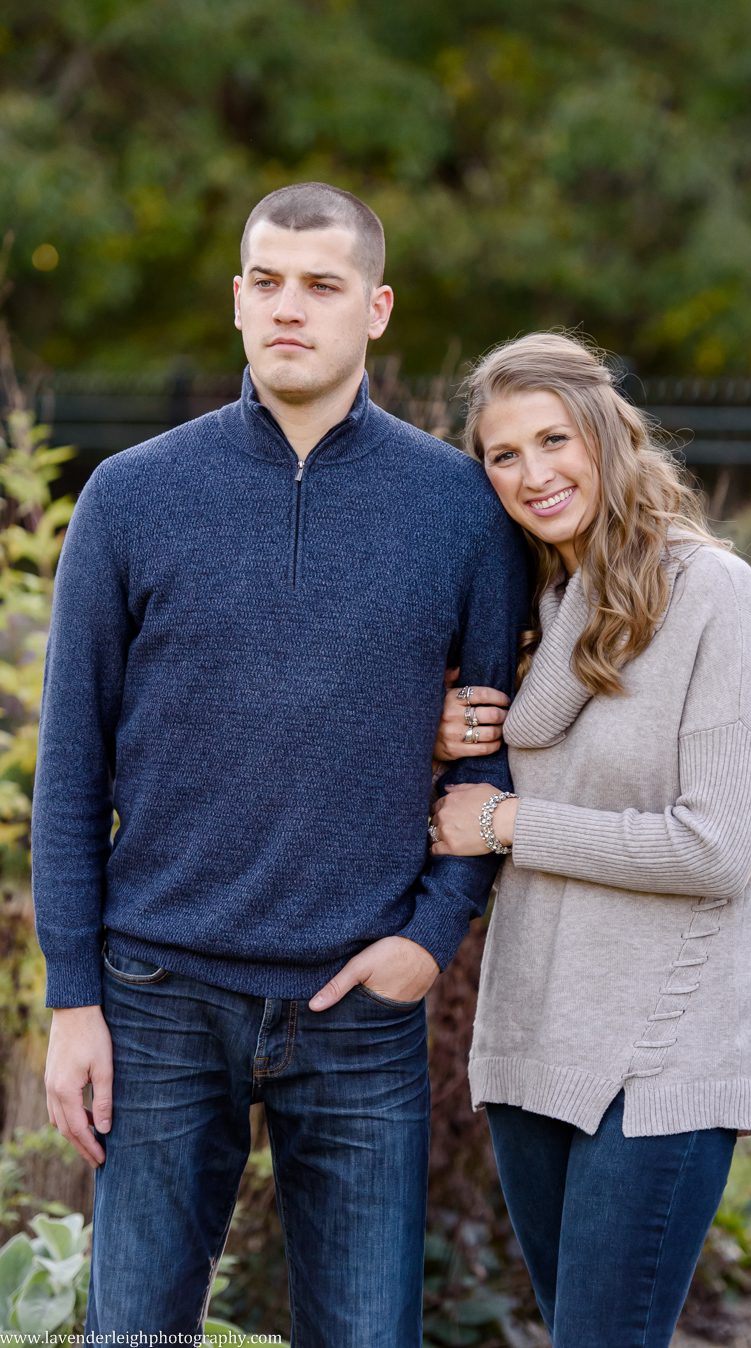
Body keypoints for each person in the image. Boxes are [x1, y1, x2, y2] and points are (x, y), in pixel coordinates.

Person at [31, 182, 527, 1347]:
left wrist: (432, 934)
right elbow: (72, 759)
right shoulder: (132, 495)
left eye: (322, 284)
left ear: (378, 308)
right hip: (158, 991)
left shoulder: (461, 508)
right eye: (266, 281)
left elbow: (491, 751)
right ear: (238, 300)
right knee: (135, 1336)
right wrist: (72, 995)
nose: (288, 307)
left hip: (357, 1002)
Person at [430, 332, 751, 1347]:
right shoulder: (532, 612)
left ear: (606, 435)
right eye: (503, 455)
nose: (534, 474)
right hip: (538, 1033)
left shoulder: (710, 594)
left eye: (554, 440)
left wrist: (509, 822)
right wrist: (439, 742)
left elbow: (719, 848)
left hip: (666, 1048)